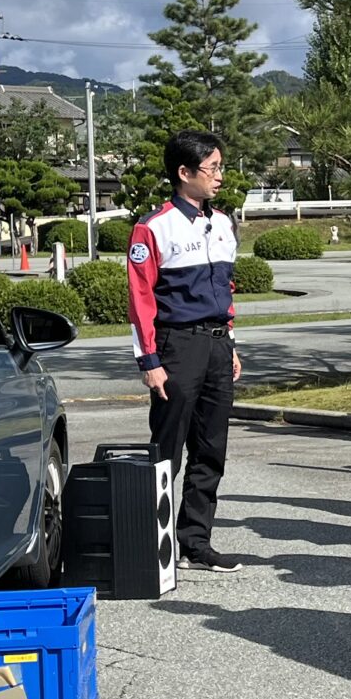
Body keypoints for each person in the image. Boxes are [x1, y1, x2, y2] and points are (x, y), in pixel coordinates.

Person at [127, 130, 245, 572]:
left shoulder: (224, 223)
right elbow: (140, 298)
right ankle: (151, 548)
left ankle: (196, 542)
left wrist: (230, 342)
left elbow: (226, 290)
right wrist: (150, 362)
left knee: (211, 449)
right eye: (212, 168)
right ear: (184, 172)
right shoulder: (154, 227)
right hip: (177, 346)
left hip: (216, 344)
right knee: (167, 450)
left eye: (219, 167)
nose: (219, 176)